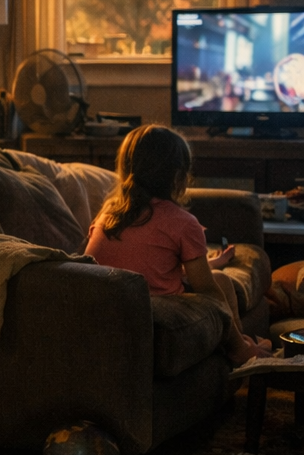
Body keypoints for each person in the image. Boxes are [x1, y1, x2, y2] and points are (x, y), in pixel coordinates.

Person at [86, 125, 273, 364]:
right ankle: (240, 349)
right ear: (178, 177)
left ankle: (244, 344)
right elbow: (207, 290)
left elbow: (146, 266)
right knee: (220, 285)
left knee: (219, 277)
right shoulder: (183, 222)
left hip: (109, 310)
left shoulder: (107, 215)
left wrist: (210, 263)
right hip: (159, 312)